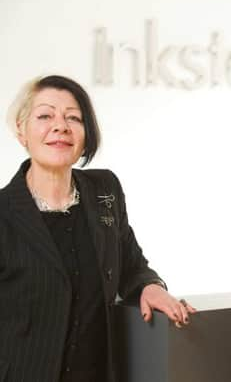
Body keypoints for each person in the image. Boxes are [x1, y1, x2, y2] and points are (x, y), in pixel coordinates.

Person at [0, 74, 197, 382]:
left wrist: (150, 286)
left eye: (73, 118)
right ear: (21, 131)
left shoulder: (105, 189)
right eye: (45, 115)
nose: (60, 126)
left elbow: (131, 263)